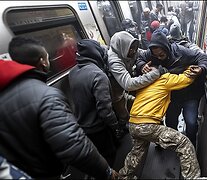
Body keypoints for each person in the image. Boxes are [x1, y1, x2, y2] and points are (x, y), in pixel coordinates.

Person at [0, 36, 120, 179]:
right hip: (48, 170)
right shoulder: (46, 96)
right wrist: (107, 172)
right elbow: (75, 147)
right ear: (42, 61)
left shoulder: (74, 72)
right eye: (47, 57)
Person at [119, 66, 202, 179]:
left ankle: (124, 177)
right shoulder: (165, 78)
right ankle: (193, 178)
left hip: (133, 124)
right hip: (147, 124)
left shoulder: (144, 82)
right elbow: (186, 79)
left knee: (137, 153)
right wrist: (191, 69)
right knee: (183, 143)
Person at [135, 31, 207, 148]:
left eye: (161, 55)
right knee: (170, 122)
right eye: (156, 56)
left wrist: (201, 69)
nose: (158, 58)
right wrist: (142, 65)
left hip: (189, 93)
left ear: (167, 49)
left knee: (191, 123)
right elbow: (140, 58)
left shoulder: (182, 52)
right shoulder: (152, 53)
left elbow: (203, 57)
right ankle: (172, 144)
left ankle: (191, 146)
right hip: (172, 96)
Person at [68, 39, 124, 167]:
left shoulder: (73, 72)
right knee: (109, 156)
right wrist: (116, 126)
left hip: (83, 125)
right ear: (96, 54)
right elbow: (105, 110)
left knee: (97, 157)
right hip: (98, 127)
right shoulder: (98, 75)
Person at [107, 31, 167, 133]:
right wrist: (156, 73)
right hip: (116, 93)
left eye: (135, 48)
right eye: (131, 49)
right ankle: (124, 130)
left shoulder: (132, 50)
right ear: (123, 48)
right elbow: (129, 84)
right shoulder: (114, 61)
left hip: (126, 90)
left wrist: (143, 64)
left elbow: (144, 55)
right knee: (125, 115)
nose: (134, 51)